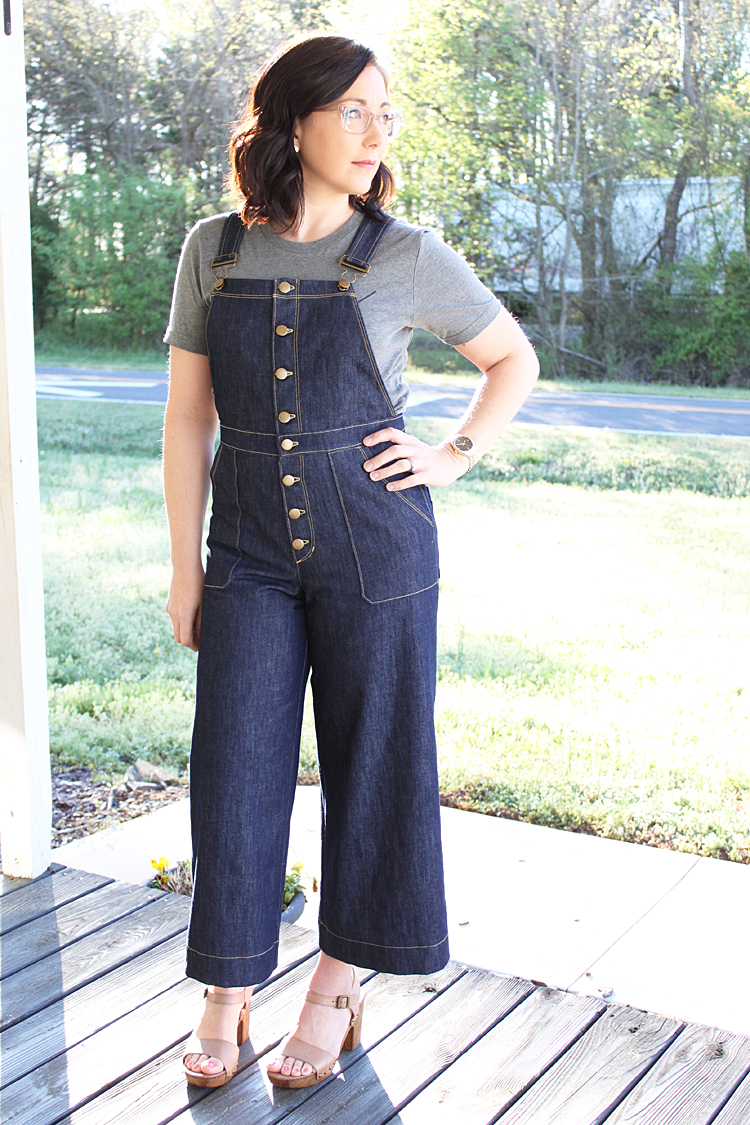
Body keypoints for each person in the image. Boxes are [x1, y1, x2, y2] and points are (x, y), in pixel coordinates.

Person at [162, 33, 539, 1092]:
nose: (377, 133)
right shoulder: (214, 250)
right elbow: (188, 418)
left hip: (378, 542)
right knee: (235, 762)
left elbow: (511, 358)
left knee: (375, 760)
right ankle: (227, 986)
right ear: (294, 123)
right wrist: (186, 568)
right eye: (355, 111)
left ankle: (337, 983)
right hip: (245, 548)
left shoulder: (404, 252)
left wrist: (451, 454)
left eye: (387, 113)